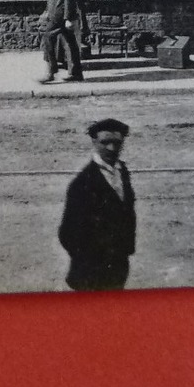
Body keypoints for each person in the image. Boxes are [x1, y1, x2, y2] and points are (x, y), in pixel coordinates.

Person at [58, 118, 137, 291]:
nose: (111, 148)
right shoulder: (82, 184)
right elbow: (67, 234)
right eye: (105, 142)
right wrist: (89, 260)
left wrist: (125, 250)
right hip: (91, 274)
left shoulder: (122, 171)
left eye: (117, 143)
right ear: (94, 141)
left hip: (118, 267)